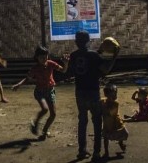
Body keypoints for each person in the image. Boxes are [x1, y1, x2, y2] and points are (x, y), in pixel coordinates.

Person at [68, 30, 119, 160]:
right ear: (89, 42)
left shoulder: (73, 55)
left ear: (76, 42)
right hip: (93, 91)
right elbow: (105, 69)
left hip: (80, 92)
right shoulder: (94, 55)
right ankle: (96, 152)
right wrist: (114, 56)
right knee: (97, 122)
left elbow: (84, 60)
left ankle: (82, 151)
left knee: (82, 122)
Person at [11, 46, 69, 140]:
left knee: (53, 114)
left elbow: (63, 70)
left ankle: (45, 130)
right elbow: (28, 79)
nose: (44, 59)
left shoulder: (50, 64)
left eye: (46, 57)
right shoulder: (35, 68)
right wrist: (18, 84)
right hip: (40, 92)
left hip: (50, 91)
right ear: (37, 57)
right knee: (45, 109)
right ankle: (36, 123)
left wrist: (66, 64)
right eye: (42, 57)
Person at [101, 83, 128, 158]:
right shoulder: (103, 101)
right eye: (112, 95)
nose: (114, 97)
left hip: (116, 122)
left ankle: (121, 143)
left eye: (115, 95)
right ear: (106, 95)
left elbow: (111, 113)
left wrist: (103, 108)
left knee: (120, 133)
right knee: (106, 138)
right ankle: (106, 152)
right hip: (107, 123)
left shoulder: (116, 103)